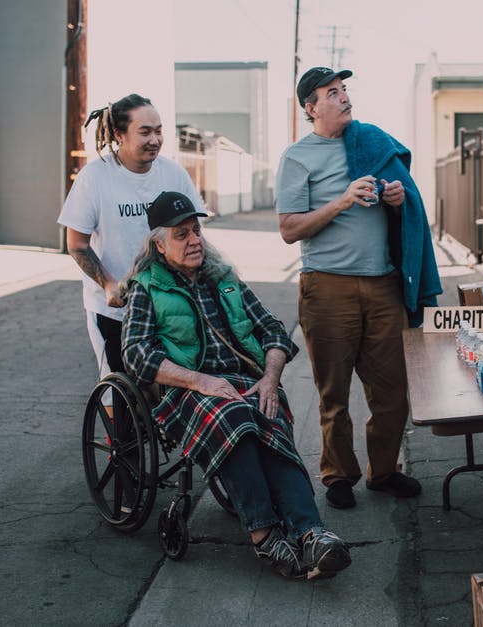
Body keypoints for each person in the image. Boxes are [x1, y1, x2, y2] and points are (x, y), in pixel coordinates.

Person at [120, 191, 351, 581]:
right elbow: (136, 354)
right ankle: (266, 536)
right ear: (159, 245)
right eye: (181, 234)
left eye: (196, 230)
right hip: (187, 392)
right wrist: (202, 380)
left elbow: (273, 331)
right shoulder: (146, 287)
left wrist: (269, 379)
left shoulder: (223, 277)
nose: (194, 240)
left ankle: (311, 534)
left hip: (244, 382)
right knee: (237, 420)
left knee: (267, 415)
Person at [276, 67, 442, 510]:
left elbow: (406, 202)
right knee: (333, 392)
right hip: (327, 287)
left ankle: (384, 471)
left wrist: (396, 200)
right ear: (311, 108)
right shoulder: (298, 157)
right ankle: (338, 475)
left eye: (345, 89)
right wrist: (343, 200)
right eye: (332, 93)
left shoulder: (371, 142)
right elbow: (290, 229)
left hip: (383, 284)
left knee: (392, 389)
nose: (344, 97)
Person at [58, 94, 205, 382]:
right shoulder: (95, 178)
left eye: (159, 130)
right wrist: (109, 283)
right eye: (145, 131)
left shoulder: (173, 173)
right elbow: (77, 245)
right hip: (115, 310)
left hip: (168, 305)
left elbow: (194, 232)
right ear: (119, 135)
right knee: (120, 392)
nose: (155, 139)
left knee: (170, 389)